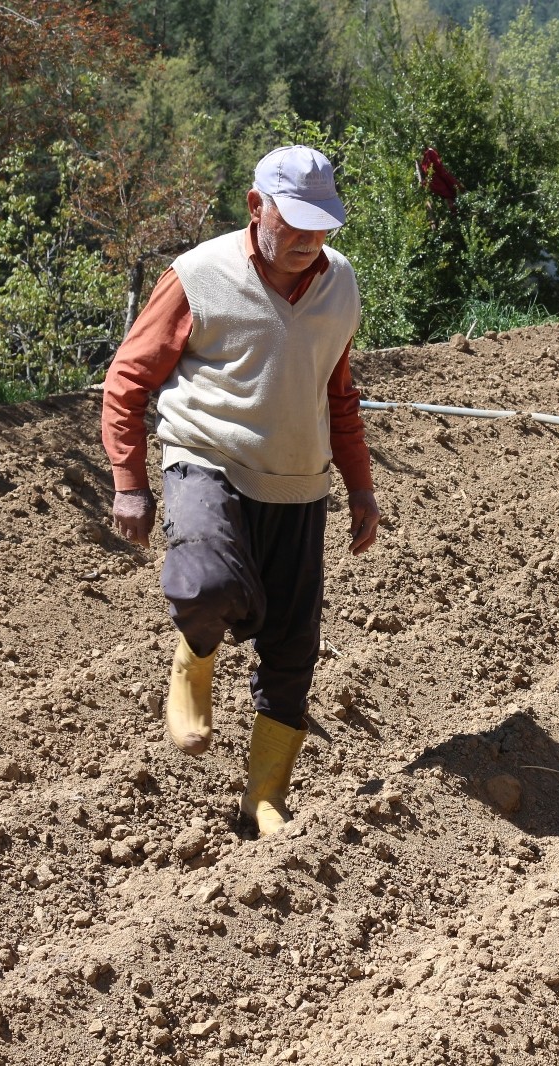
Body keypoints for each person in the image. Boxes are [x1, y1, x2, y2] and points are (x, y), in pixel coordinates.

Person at [100, 145, 380, 836]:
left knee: (293, 646)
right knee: (203, 581)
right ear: (257, 209)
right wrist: (130, 483)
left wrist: (361, 488)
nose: (310, 242)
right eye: (296, 225)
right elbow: (127, 379)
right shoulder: (198, 277)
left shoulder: (339, 285)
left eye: (322, 227)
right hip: (208, 457)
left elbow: (338, 397)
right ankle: (195, 662)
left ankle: (264, 797)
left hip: (298, 482)